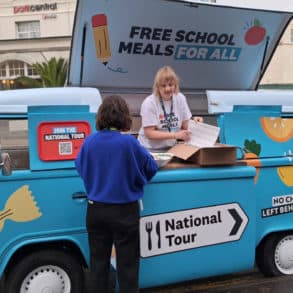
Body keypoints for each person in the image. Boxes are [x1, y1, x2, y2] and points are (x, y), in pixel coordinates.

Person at [75, 95, 158, 293]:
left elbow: (79, 167)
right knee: (127, 267)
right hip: (124, 212)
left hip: (95, 211)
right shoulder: (129, 143)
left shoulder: (89, 142)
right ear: (124, 116)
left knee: (98, 265)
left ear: (101, 116)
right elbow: (151, 167)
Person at [138, 66, 203, 151]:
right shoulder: (149, 103)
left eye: (170, 85)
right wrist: (175, 135)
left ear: (175, 85)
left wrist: (195, 122)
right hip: (149, 148)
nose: (167, 89)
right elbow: (149, 133)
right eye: (163, 86)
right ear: (157, 87)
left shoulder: (180, 98)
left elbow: (185, 125)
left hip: (171, 147)